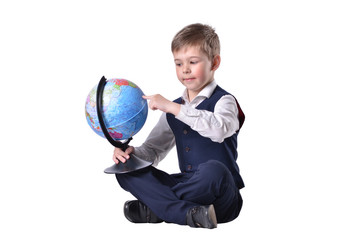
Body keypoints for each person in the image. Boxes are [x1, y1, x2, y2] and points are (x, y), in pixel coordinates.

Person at [113, 23, 245, 229]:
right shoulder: (174, 108)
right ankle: (187, 213)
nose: (185, 70)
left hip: (221, 195)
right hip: (189, 186)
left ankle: (157, 207)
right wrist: (131, 155)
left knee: (214, 170)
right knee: (125, 170)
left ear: (215, 62)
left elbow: (220, 129)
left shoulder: (225, 101)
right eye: (178, 63)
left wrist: (173, 108)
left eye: (193, 62)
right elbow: (153, 151)